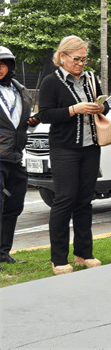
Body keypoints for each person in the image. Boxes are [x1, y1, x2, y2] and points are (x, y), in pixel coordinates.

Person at [37, 36, 108, 275]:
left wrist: (100, 107)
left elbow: (104, 106)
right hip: (64, 148)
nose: (80, 63)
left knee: (84, 201)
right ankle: (58, 259)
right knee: (64, 200)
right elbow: (45, 115)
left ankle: (83, 253)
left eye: (84, 59)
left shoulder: (90, 78)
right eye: (76, 59)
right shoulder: (51, 82)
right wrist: (74, 109)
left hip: (91, 147)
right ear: (63, 57)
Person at [0, 46, 40, 269]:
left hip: (15, 157)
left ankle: (4, 252)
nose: (0, 69)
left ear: (11, 67)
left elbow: (19, 122)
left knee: (14, 205)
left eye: (3, 65)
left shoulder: (21, 91)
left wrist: (32, 122)